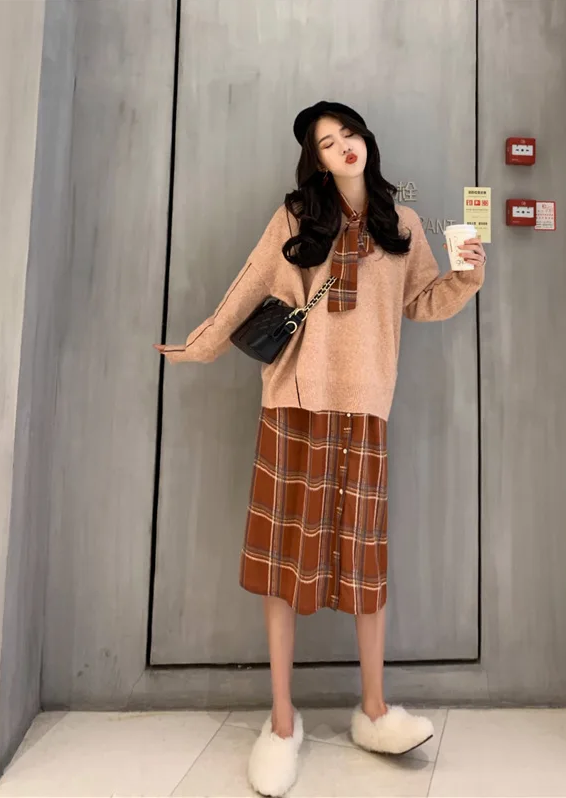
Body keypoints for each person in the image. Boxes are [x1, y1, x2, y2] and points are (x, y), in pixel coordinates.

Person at [155, 100, 486, 797]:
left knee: (364, 567)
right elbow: (251, 283)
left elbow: (423, 301)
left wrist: (468, 276)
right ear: (316, 160)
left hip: (365, 409)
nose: (343, 147)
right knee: (283, 565)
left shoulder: (402, 222)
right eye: (327, 143)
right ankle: (281, 723)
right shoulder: (297, 218)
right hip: (294, 404)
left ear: (366, 140)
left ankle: (375, 711)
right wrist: (201, 345)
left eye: (349, 134)